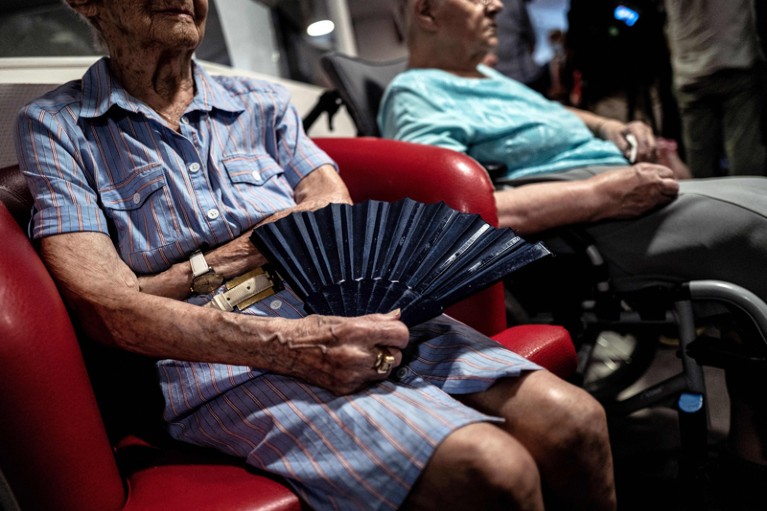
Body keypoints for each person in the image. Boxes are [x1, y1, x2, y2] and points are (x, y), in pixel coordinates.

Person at [14, 1, 617, 510]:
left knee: (575, 421)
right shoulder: (59, 126)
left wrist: (165, 281)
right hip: (220, 358)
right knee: (491, 470)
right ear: (86, 0)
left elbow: (331, 203)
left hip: (353, 300)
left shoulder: (261, 102)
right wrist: (260, 258)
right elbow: (104, 304)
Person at [379, 0, 767, 492]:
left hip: (621, 184)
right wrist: (597, 195)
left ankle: (752, 454)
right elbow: (449, 213)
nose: (495, 4)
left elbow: (556, 112)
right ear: (428, 13)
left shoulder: (487, 78)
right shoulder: (415, 93)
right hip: (594, 215)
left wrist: (612, 128)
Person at [663, 0, 767, 177]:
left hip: (689, 70)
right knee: (745, 159)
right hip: (733, 62)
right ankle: (743, 202)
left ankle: (705, 202)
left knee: (700, 162)